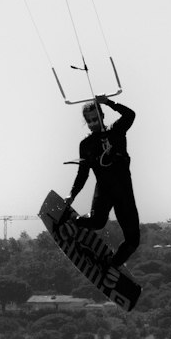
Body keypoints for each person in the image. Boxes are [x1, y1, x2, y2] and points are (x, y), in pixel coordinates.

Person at [63, 96, 140, 269]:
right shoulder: (86, 144)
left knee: (133, 241)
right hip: (104, 190)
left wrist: (108, 102)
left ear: (102, 116)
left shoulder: (116, 131)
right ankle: (72, 222)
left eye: (95, 119)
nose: (92, 123)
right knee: (97, 222)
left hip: (124, 193)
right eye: (88, 121)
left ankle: (111, 265)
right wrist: (72, 195)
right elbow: (82, 174)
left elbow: (130, 115)